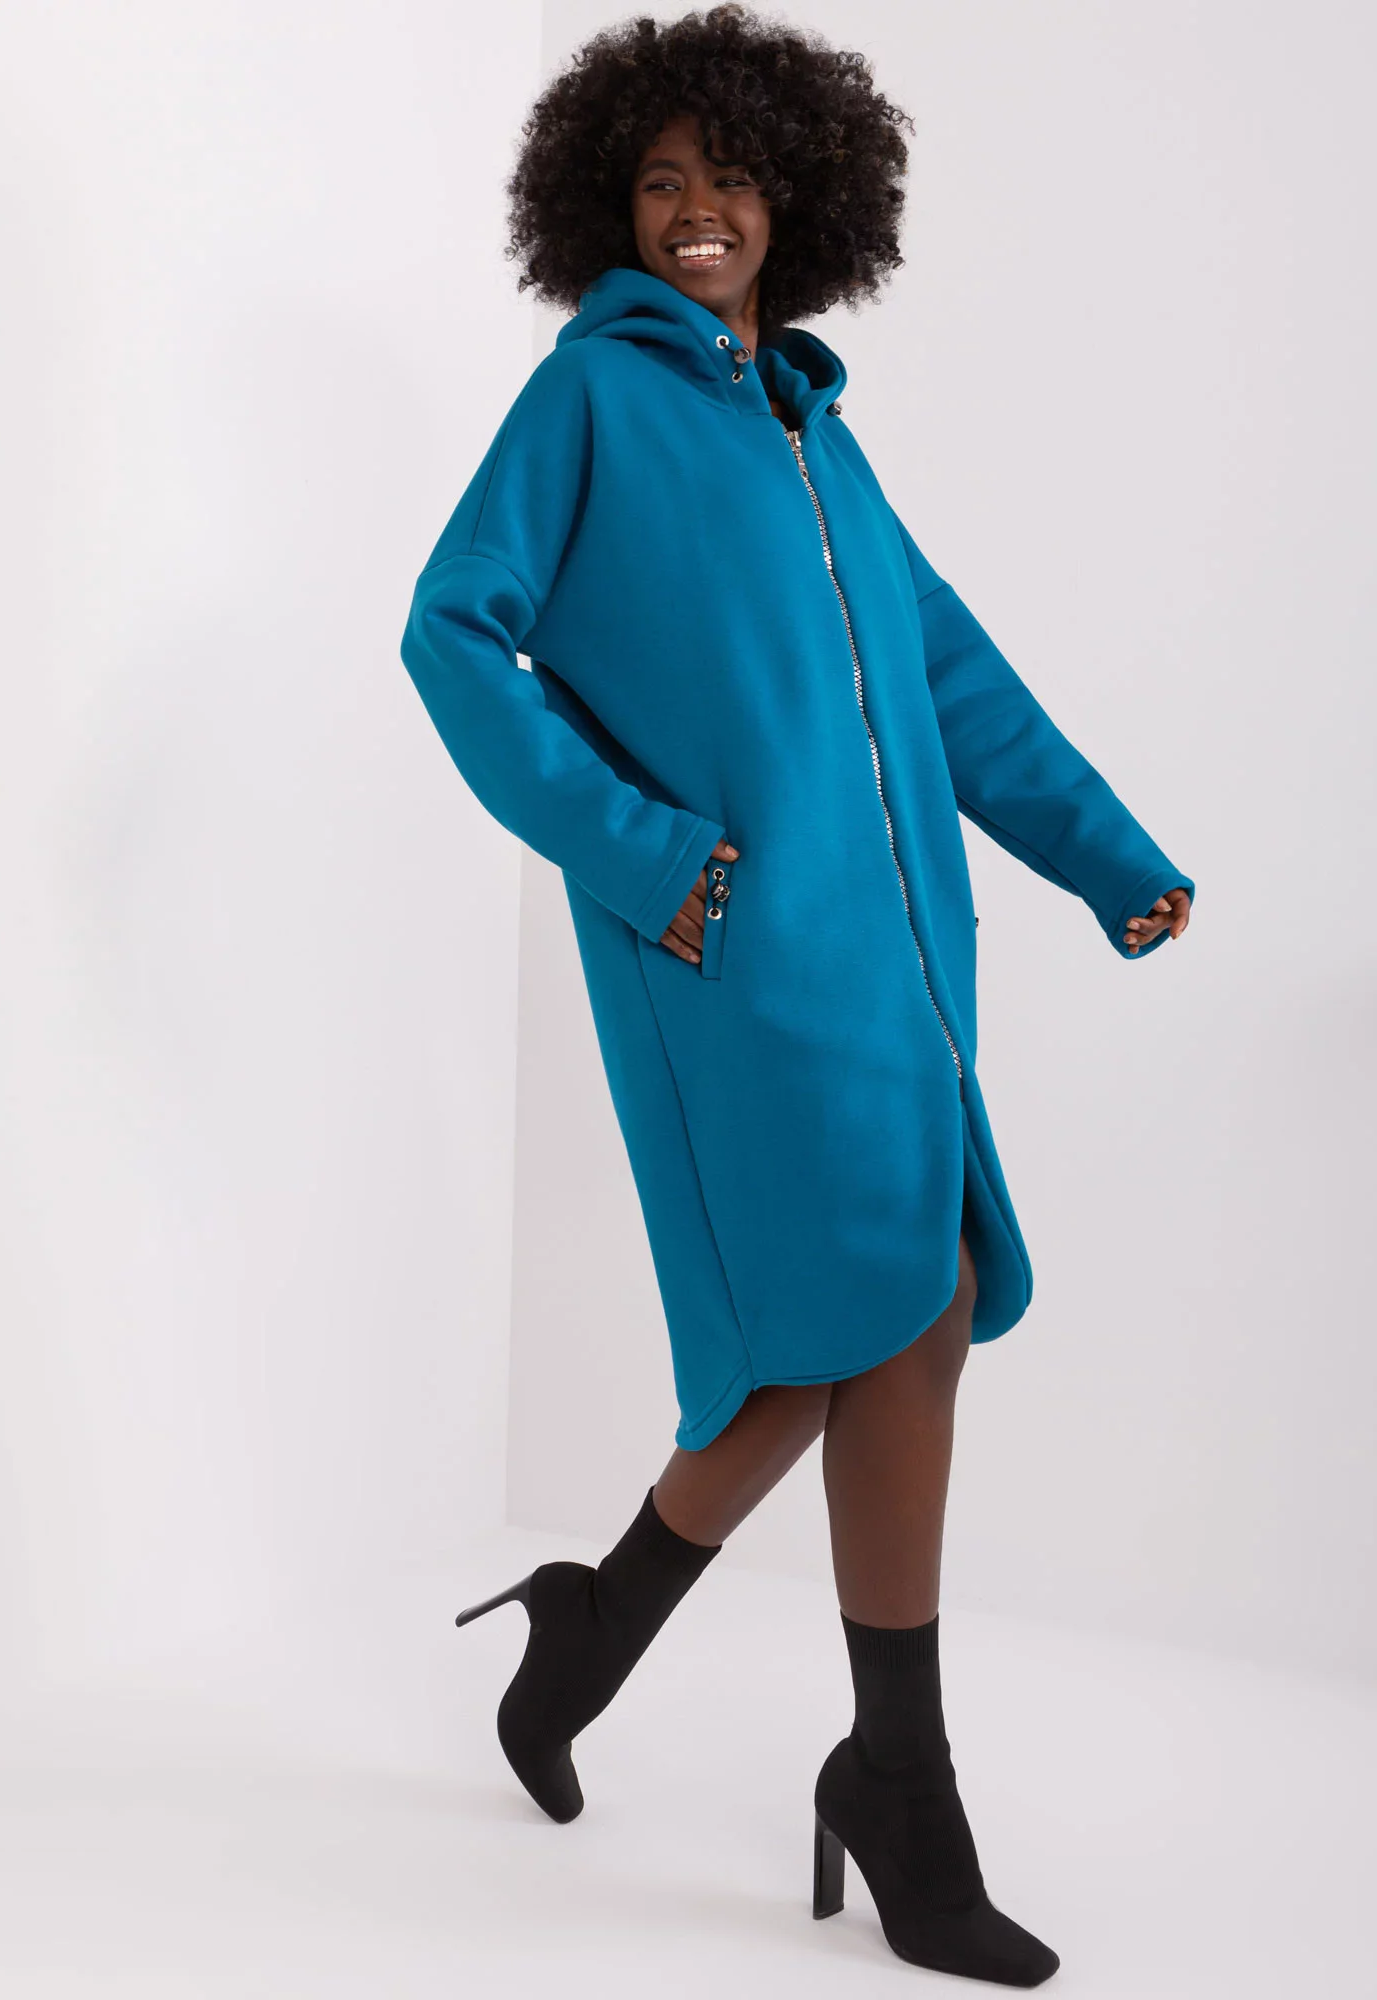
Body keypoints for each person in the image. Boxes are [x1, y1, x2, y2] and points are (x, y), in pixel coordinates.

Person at [401, 5, 1193, 1986]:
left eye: (732, 178)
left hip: (899, 956)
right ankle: (897, 1778)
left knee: (854, 1321)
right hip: (740, 956)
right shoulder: (590, 400)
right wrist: (649, 857)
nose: (698, 210)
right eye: (659, 182)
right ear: (605, 209)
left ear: (797, 202)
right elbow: (450, 633)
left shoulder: (815, 431)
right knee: (901, 1294)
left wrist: (1110, 857)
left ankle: (599, 1629)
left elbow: (951, 680)